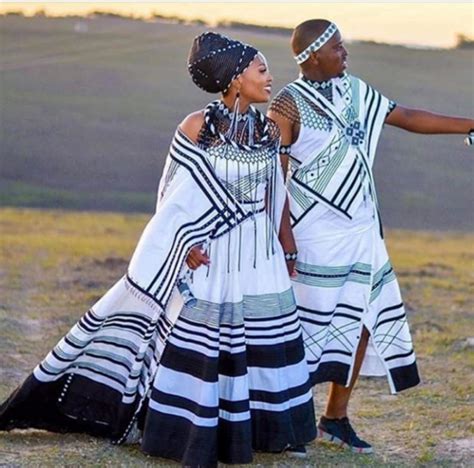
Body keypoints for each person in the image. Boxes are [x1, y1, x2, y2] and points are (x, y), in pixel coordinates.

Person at [0, 32, 317, 466]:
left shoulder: (267, 131)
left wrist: (287, 242)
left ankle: (267, 433)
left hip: (258, 256)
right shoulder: (196, 126)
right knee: (205, 342)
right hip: (210, 253)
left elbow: (275, 193)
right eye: (262, 71)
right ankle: (189, 434)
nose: (270, 78)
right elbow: (173, 197)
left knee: (264, 340)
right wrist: (183, 244)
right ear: (235, 78)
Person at [268, 19, 474, 454]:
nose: (346, 54)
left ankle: (336, 418)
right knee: (303, 327)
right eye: (338, 48)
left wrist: (469, 123)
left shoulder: (357, 92)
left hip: (362, 230)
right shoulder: (288, 105)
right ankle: (282, 419)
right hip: (313, 235)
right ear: (313, 55)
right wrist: (284, 236)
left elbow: (408, 117)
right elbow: (274, 179)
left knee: (361, 321)